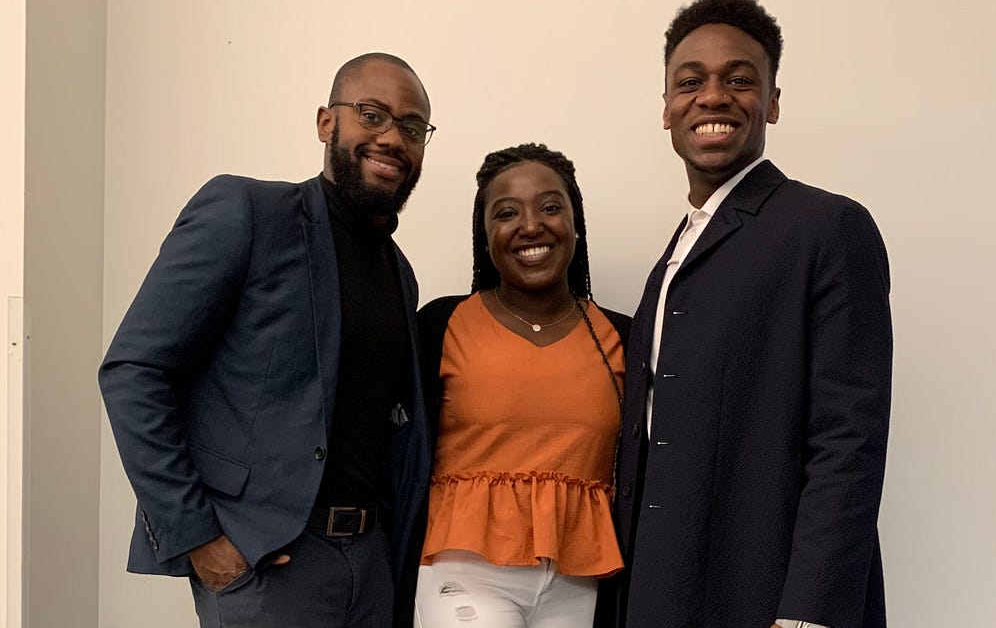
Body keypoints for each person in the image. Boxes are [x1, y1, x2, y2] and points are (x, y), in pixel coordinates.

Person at [99, 52, 435, 628]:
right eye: (372, 115)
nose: (392, 138)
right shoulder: (247, 213)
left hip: (371, 565)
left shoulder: (399, 273)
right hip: (269, 567)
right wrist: (198, 536)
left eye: (411, 126)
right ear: (327, 122)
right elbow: (134, 370)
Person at [614, 0, 892, 628]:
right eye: (690, 82)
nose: (712, 97)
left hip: (768, 598)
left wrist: (808, 613)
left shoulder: (828, 227)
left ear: (771, 102)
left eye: (739, 80)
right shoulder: (675, 255)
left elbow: (848, 441)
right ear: (666, 109)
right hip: (664, 591)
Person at [409, 143, 629, 628]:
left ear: (576, 222)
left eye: (551, 207)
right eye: (506, 212)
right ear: (484, 232)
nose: (531, 225)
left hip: (578, 581)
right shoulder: (441, 326)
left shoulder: (622, 337)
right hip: (465, 573)